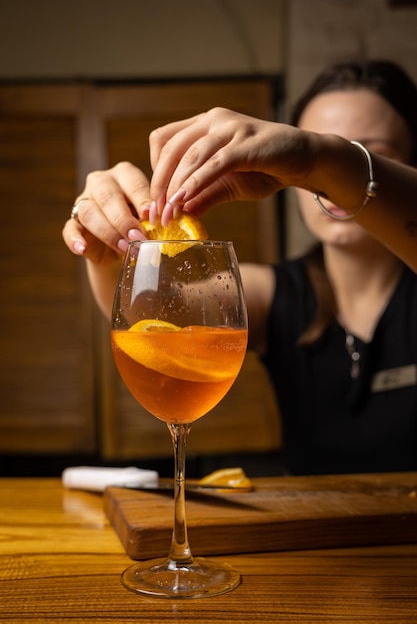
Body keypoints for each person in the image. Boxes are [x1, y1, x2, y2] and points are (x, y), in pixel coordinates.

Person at [63, 59, 417, 474]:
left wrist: (321, 159)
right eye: (324, 149)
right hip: (312, 533)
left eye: (363, 153)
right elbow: (155, 326)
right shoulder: (278, 293)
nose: (329, 183)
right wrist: (113, 256)